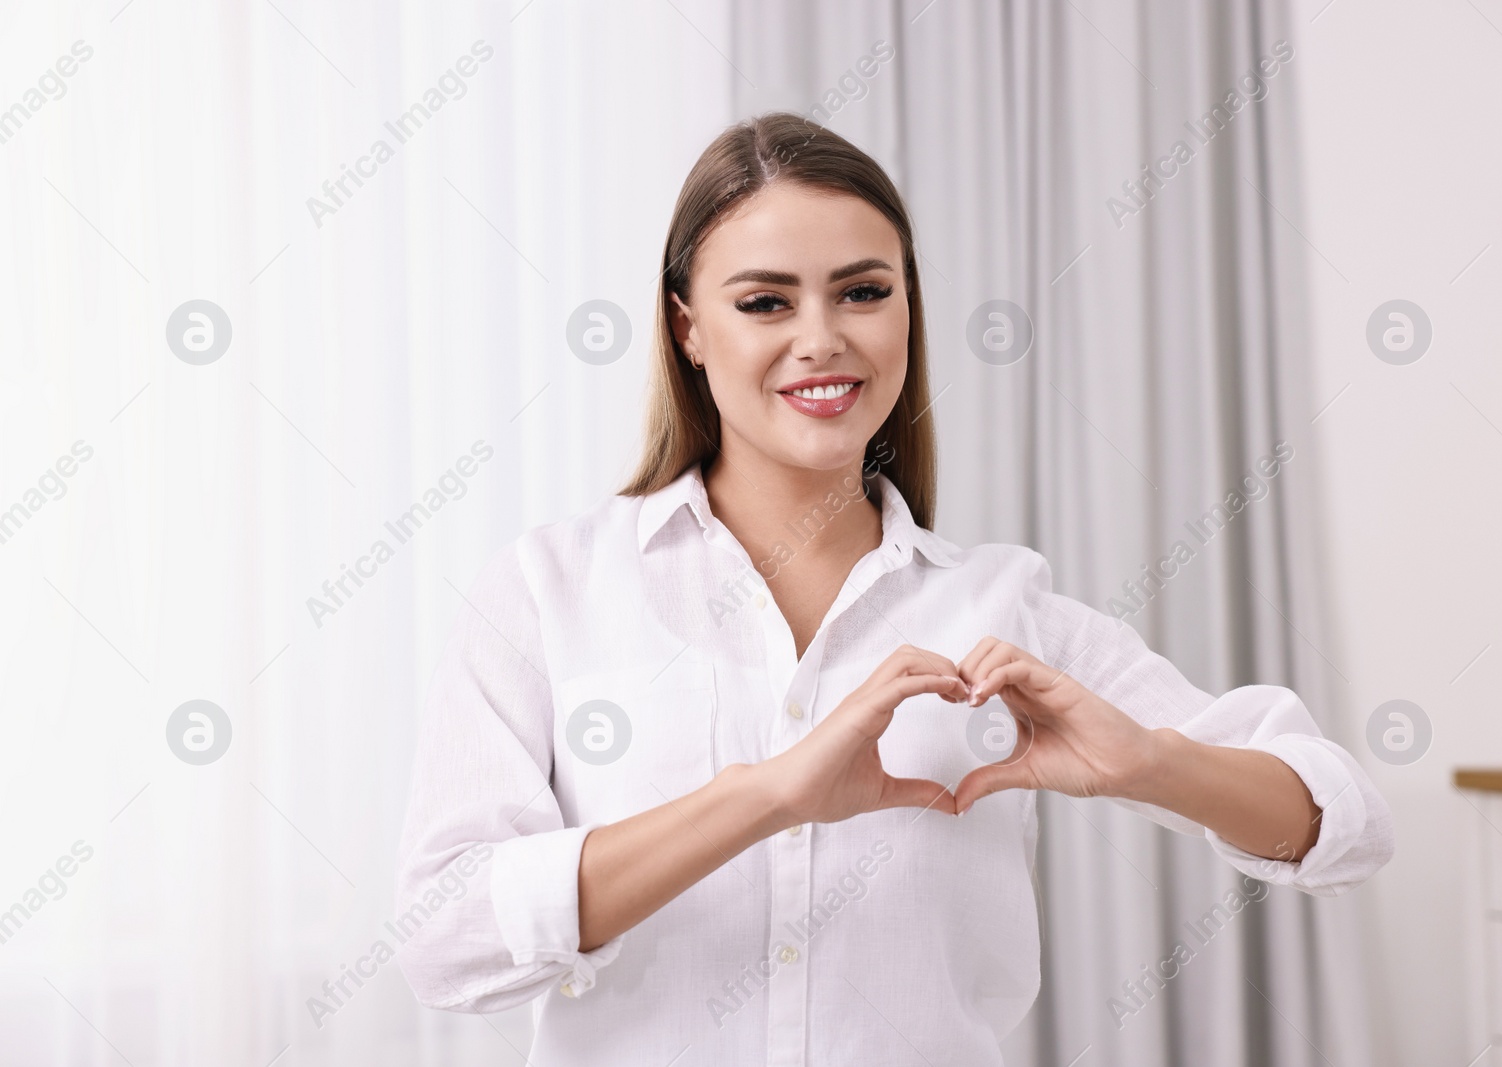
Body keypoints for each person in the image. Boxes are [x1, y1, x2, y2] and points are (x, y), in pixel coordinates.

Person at [394, 112, 1393, 1066]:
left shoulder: (1005, 607)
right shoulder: (549, 589)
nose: (822, 337)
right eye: (765, 301)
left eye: (863, 291)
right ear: (686, 326)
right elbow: (443, 937)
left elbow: (1343, 819)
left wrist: (1152, 761)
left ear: (908, 306)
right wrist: (768, 797)